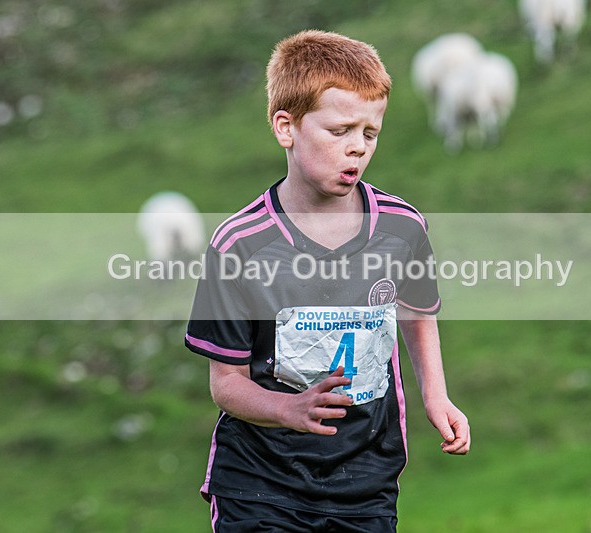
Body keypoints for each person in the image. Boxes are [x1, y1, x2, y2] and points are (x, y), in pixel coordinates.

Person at [185, 29, 470, 532]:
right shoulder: (239, 245)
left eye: (370, 133)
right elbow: (226, 384)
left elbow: (417, 312)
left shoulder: (403, 228)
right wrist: (289, 409)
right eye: (339, 131)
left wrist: (436, 395)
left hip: (367, 479)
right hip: (260, 484)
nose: (357, 148)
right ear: (286, 127)